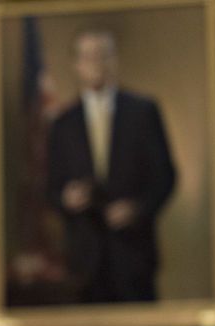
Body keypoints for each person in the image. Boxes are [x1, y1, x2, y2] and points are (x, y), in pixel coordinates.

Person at [47, 28, 176, 303]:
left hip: (134, 254)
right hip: (84, 259)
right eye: (88, 57)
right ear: (77, 65)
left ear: (113, 61)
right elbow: (50, 187)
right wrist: (67, 198)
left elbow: (165, 176)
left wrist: (137, 209)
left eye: (102, 56)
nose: (96, 64)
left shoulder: (143, 112)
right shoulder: (62, 124)